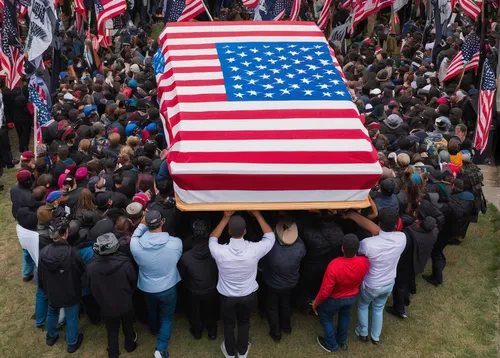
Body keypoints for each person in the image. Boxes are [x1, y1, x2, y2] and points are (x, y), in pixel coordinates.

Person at [209, 211, 275, 358]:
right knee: (244, 322)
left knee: (229, 324)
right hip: (248, 296)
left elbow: (212, 237)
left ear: (229, 231)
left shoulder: (219, 251)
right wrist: (258, 215)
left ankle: (231, 353)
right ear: (245, 231)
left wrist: (225, 218)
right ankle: (242, 351)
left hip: (227, 297)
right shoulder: (254, 249)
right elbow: (270, 236)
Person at [130, 210, 182, 358]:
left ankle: (154, 330)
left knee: (152, 310)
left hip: (148, 288)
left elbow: (134, 236)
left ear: (146, 224)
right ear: (162, 222)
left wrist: (142, 225)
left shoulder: (136, 245)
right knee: (166, 317)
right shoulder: (176, 243)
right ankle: (160, 348)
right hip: (168, 288)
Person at [355, 208, 406, 344]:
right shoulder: (402, 238)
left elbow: (358, 251)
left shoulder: (367, 243)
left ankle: (363, 332)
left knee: (363, 305)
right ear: (396, 224)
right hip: (389, 283)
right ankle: (375, 336)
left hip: (371, 284)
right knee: (378, 308)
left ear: (379, 223)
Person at [83, 233, 138, 358]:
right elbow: (133, 281)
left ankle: (113, 353)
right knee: (128, 325)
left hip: (107, 305)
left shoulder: (91, 269)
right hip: (125, 303)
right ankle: (130, 346)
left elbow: (87, 284)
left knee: (112, 330)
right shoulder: (125, 264)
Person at [312, 234, 369, 352]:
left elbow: (325, 291)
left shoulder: (334, 265)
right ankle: (342, 341)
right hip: (352, 297)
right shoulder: (364, 262)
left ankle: (331, 345)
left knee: (326, 317)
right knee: (345, 316)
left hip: (334, 299)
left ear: (342, 248)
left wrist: (315, 303)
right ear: (357, 249)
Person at [38, 221, 85, 353]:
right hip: (70, 292)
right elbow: (82, 271)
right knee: (71, 318)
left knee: (52, 312)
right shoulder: (72, 253)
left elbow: (40, 275)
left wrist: (46, 289)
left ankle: (51, 336)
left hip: (52, 291)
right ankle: (72, 343)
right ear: (66, 233)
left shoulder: (43, 252)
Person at [260, 219, 306, 342]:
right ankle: (286, 327)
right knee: (286, 304)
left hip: (272, 283)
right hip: (290, 283)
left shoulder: (271, 247)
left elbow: (263, 261)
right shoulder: (300, 246)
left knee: (272, 307)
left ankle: (276, 333)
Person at [178, 219, 219, 340]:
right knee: (210, 310)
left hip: (194, 289)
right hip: (210, 288)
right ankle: (212, 333)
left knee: (195, 311)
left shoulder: (186, 256)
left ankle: (197, 332)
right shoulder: (216, 252)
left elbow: (182, 274)